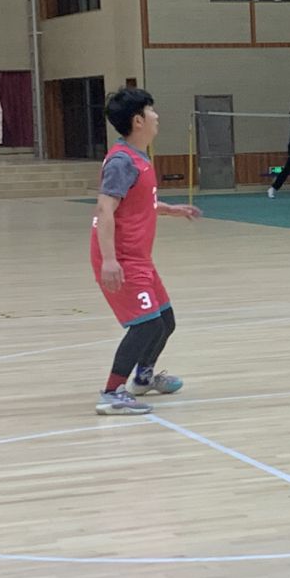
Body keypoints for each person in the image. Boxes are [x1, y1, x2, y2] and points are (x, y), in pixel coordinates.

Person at [90, 87, 201, 415]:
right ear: (138, 121)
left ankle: (143, 377)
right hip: (121, 258)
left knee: (165, 320)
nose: (156, 116)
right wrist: (110, 260)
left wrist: (169, 210)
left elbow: (137, 203)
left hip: (139, 257)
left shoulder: (138, 157)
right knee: (146, 325)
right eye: (151, 111)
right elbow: (105, 209)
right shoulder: (122, 161)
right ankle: (112, 392)